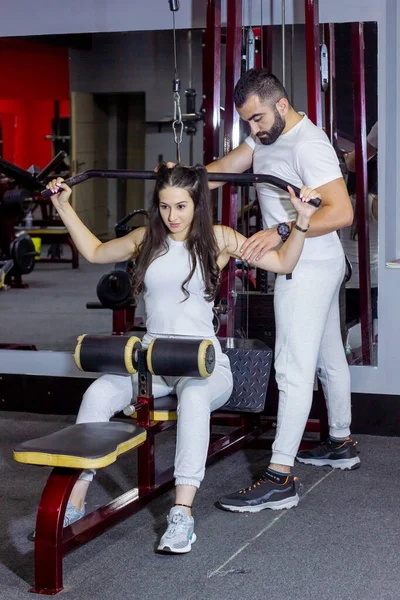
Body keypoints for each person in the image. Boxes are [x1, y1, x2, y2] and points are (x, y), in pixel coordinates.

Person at [44, 163, 318, 551]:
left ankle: (181, 515)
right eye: (164, 206)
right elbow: (94, 251)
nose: (172, 216)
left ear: (197, 205)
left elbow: (283, 263)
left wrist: (302, 221)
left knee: (192, 398)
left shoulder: (219, 238)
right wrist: (64, 207)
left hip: (204, 363)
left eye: (181, 207)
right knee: (97, 395)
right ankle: (74, 501)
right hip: (153, 361)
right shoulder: (146, 239)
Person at [201, 68, 359, 513]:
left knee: (291, 369)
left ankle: (279, 477)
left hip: (306, 264)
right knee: (329, 356)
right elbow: (230, 167)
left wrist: (282, 229)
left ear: (282, 106)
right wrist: (185, 181)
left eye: (256, 120)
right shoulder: (268, 137)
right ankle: (341, 441)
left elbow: (342, 211)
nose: (252, 129)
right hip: (317, 261)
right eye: (247, 122)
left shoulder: (308, 144)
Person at [341, 160, 378, 354]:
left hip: (347, 277)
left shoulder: (342, 203)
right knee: (371, 330)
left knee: (344, 329)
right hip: (373, 277)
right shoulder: (377, 203)